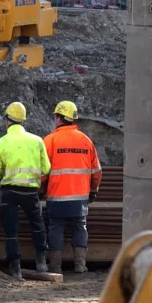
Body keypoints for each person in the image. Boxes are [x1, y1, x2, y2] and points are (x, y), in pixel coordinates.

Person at [0, 102, 52, 278]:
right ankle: (41, 263)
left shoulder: (0, 143)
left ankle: (15, 268)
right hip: (30, 192)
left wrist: (2, 175)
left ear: (7, 121)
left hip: (9, 192)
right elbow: (46, 168)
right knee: (37, 225)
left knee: (11, 229)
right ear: (23, 121)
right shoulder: (37, 141)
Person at [41, 101, 101, 274]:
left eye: (55, 116)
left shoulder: (50, 140)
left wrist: (42, 189)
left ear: (59, 118)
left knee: (55, 228)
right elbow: (96, 171)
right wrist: (93, 190)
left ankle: (55, 266)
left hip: (57, 197)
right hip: (80, 198)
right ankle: (80, 264)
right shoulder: (86, 141)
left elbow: (42, 171)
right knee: (80, 227)